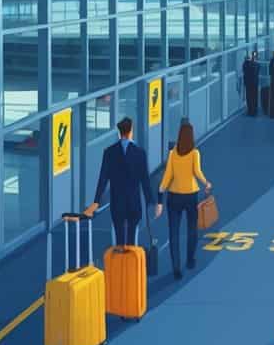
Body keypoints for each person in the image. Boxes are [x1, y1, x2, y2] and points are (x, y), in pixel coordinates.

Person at [87, 117, 159, 245]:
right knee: (132, 237)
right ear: (131, 131)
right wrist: (151, 201)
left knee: (119, 237)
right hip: (133, 202)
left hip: (117, 201)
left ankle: (119, 256)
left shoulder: (109, 152)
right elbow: (145, 180)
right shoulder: (139, 152)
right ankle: (131, 260)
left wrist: (97, 201)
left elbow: (103, 178)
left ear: (119, 132)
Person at [159, 121, 211, 279]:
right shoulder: (195, 153)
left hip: (174, 197)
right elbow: (197, 172)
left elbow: (167, 176)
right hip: (191, 195)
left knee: (173, 233)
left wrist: (160, 192)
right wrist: (206, 183)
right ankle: (190, 260)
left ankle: (176, 267)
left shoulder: (172, 154)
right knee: (192, 229)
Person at [243, 51, 260, 116]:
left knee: (249, 97)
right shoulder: (257, 64)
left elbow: (245, 71)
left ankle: (250, 110)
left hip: (248, 83)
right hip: (255, 82)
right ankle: (254, 110)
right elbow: (257, 71)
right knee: (254, 96)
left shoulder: (246, 64)